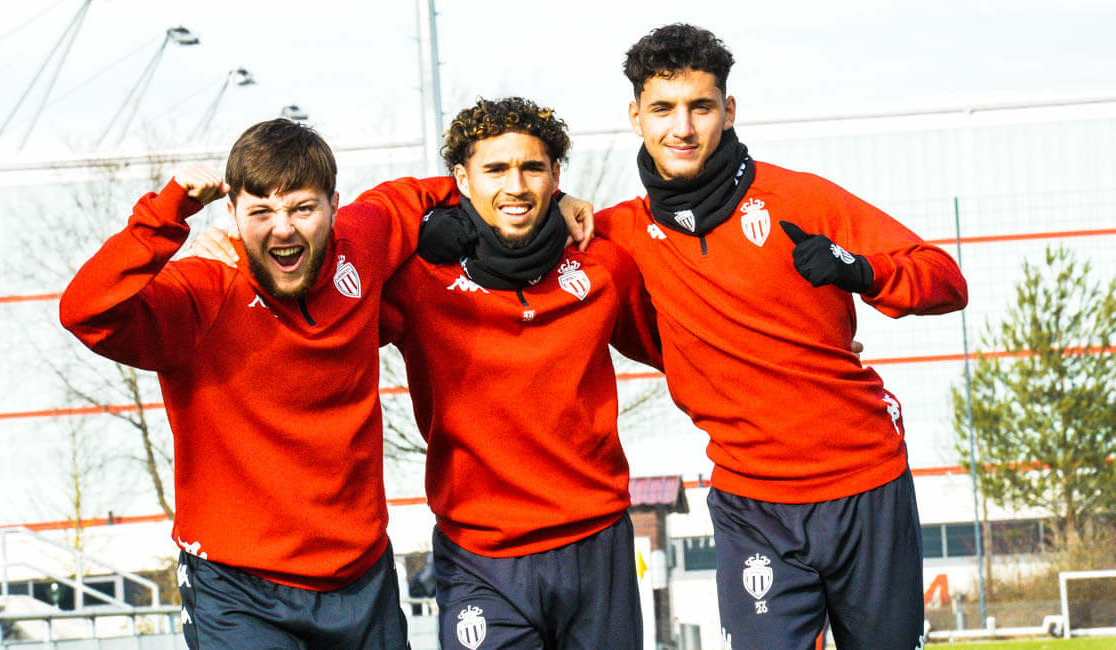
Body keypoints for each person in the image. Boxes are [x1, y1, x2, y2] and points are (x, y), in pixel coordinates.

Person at [592, 24, 969, 650]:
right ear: (636, 117)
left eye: (700, 107)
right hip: (752, 504)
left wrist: (862, 271)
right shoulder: (614, 233)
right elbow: (508, 222)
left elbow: (946, 280)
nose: (682, 128)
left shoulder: (801, 198)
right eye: (663, 109)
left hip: (865, 480)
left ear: (729, 111)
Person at [60, 118, 466, 649]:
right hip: (239, 589)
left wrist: (559, 203)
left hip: (360, 576)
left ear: (334, 206)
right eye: (260, 212)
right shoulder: (202, 289)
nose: (283, 229)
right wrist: (168, 212)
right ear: (231, 214)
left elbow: (446, 189)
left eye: (302, 208)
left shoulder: (363, 241)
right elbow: (86, 310)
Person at [380, 97, 662, 649]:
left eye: (532, 168)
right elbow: (321, 327)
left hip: (595, 543)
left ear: (556, 175)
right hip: (480, 556)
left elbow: (683, 348)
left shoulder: (602, 265)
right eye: (495, 169)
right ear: (461, 178)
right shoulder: (418, 281)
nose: (516, 185)